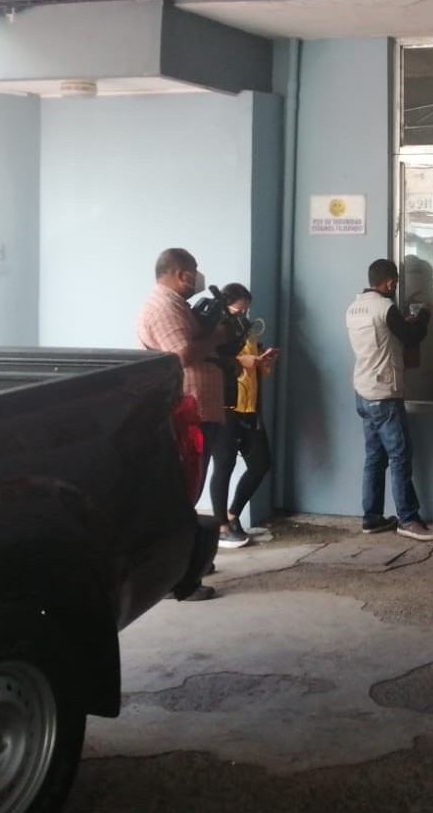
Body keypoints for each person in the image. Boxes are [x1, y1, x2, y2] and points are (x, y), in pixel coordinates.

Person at [136, 247, 231, 601]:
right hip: (188, 412)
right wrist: (216, 337)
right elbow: (182, 354)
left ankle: (193, 563)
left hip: (200, 409)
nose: (197, 277)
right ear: (180, 274)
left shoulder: (177, 305)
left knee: (188, 494)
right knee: (181, 497)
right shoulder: (163, 307)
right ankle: (177, 579)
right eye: (194, 270)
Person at [346, 258, 433, 541]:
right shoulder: (385, 307)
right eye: (395, 282)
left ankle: (371, 517)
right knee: (400, 456)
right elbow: (412, 336)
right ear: (390, 282)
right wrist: (424, 314)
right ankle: (408, 519)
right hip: (384, 394)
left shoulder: (354, 307)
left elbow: (384, 336)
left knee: (375, 457)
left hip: (363, 391)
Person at [208, 283, 278, 549]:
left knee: (261, 464)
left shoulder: (245, 331)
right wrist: (241, 363)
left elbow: (253, 366)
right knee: (223, 466)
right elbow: (214, 362)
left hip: (250, 408)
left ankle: (232, 514)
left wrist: (263, 362)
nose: (242, 314)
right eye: (238, 310)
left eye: (246, 310)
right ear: (225, 306)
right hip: (226, 407)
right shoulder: (214, 331)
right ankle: (221, 527)